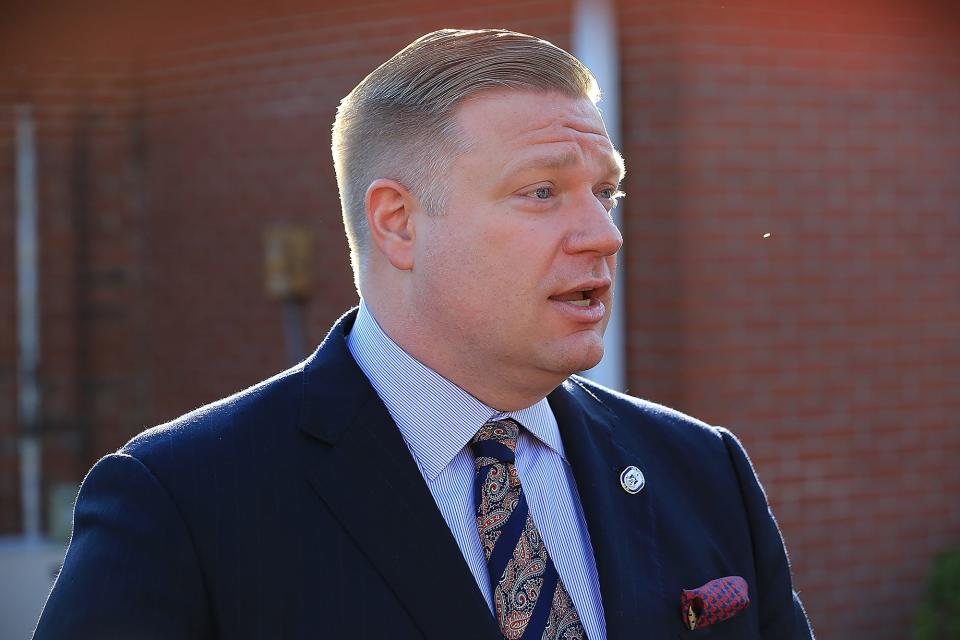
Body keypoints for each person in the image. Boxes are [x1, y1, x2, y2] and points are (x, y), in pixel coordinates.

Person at [34, 29, 814, 639]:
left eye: (604, 191)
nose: (602, 235)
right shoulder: (181, 502)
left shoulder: (702, 470)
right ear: (399, 223)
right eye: (542, 191)